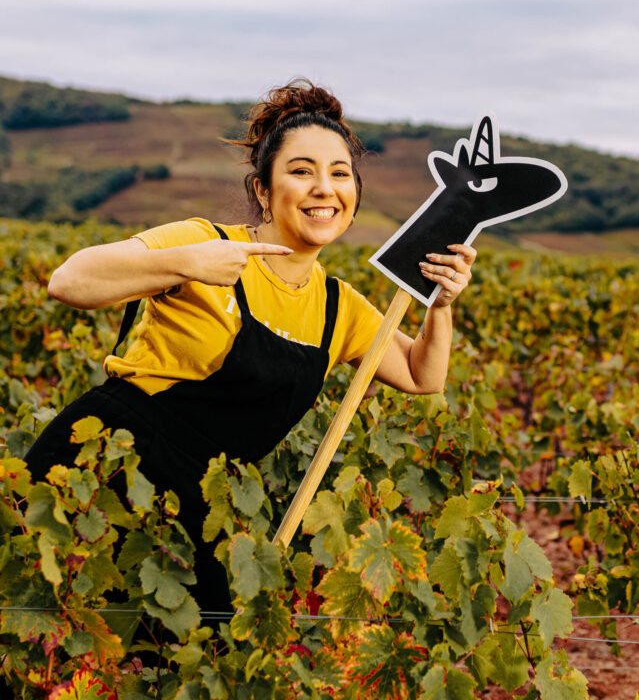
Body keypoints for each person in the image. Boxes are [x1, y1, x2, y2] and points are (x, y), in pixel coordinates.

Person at [25, 79, 476, 615]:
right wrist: (187, 262)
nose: (323, 188)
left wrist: (440, 306)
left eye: (339, 174)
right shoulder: (204, 242)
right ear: (262, 190)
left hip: (200, 508)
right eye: (301, 171)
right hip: (102, 475)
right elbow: (70, 282)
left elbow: (424, 376)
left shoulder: (339, 306)